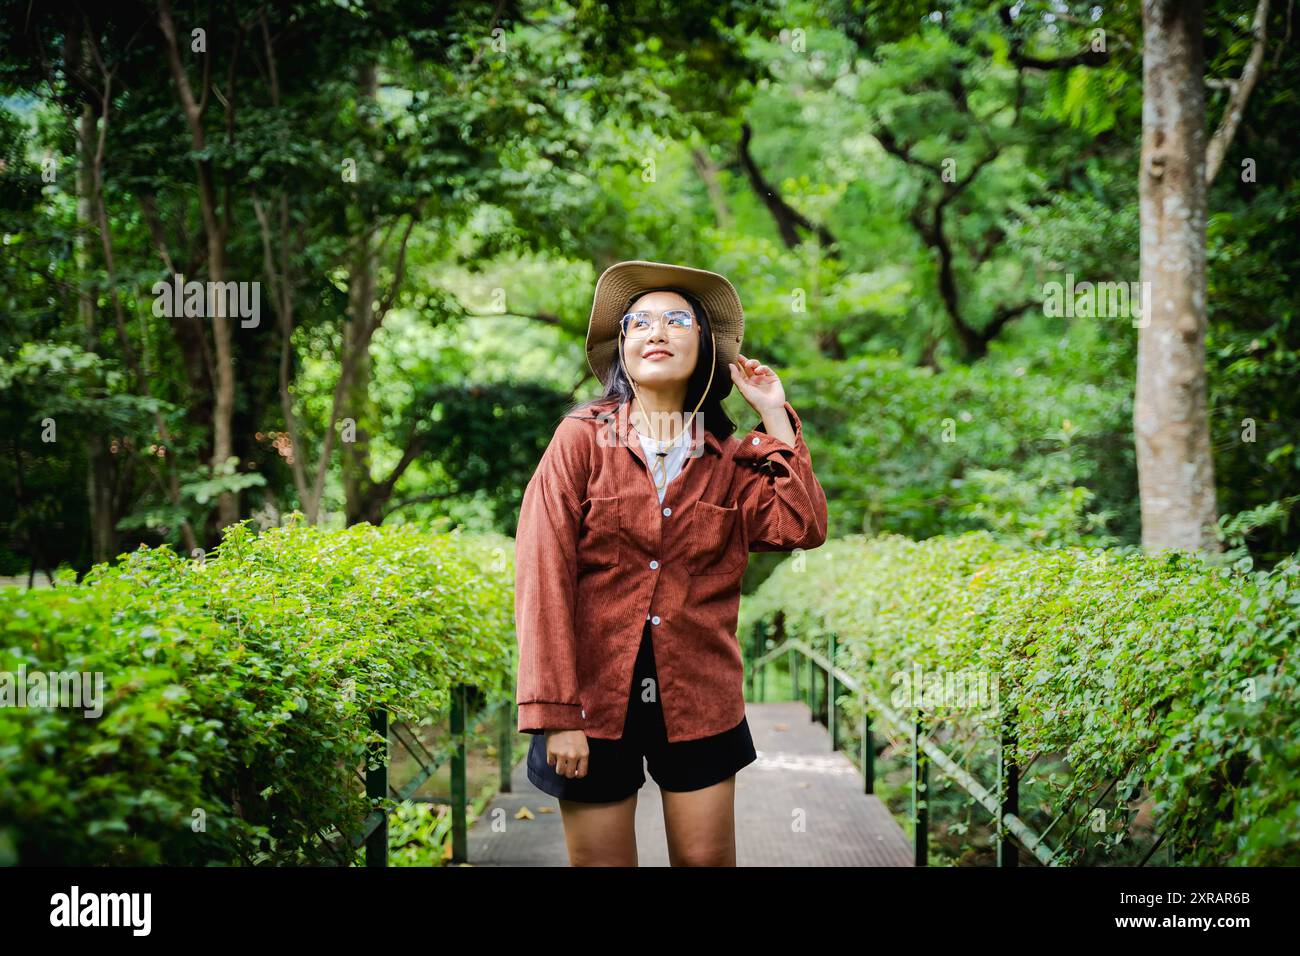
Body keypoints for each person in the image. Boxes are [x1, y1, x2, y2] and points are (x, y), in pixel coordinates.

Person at [513, 259, 829, 865]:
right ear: (623, 349)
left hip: (701, 698)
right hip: (591, 702)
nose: (657, 330)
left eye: (677, 320)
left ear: (704, 349)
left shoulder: (731, 459)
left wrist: (772, 413)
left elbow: (802, 526)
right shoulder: (580, 439)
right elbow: (542, 576)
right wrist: (556, 714)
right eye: (641, 322)